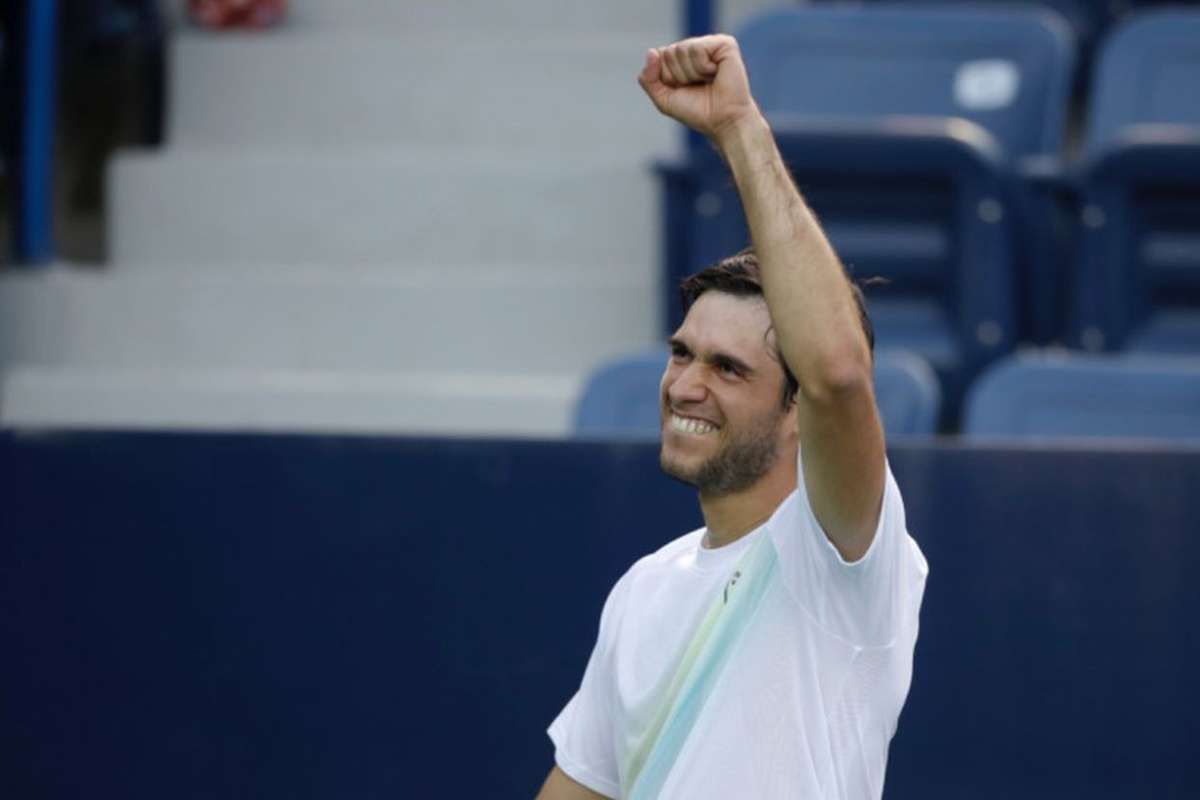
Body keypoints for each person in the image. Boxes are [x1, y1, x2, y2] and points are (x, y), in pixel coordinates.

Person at [536, 34, 929, 800]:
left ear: (797, 417)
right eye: (683, 354)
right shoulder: (645, 587)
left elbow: (840, 375)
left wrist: (738, 125)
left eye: (728, 368)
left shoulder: (841, 557)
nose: (685, 385)